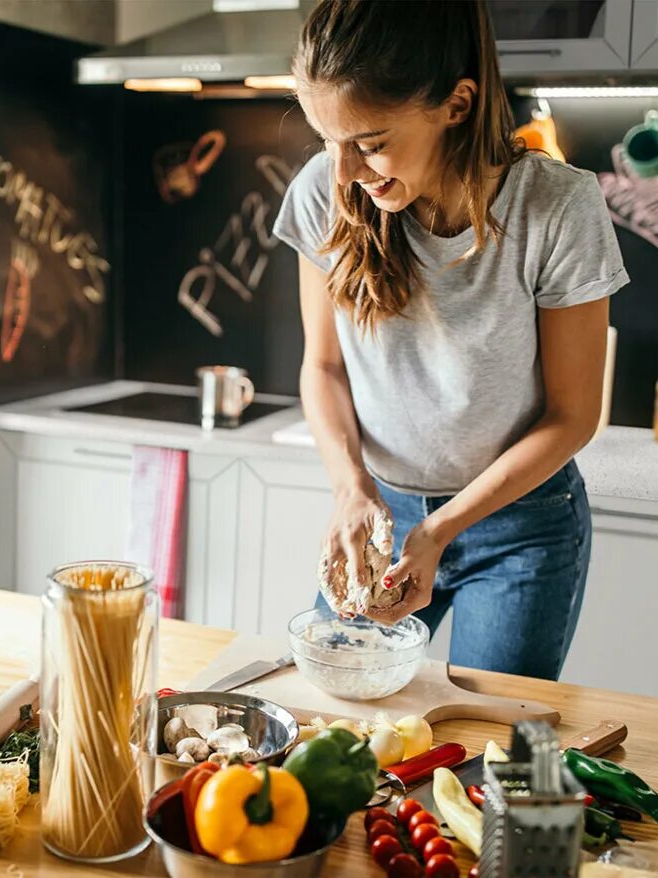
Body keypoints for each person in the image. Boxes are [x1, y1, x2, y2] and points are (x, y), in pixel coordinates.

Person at [273, 0, 628, 681]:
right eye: (327, 140)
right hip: (380, 509)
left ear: (457, 104)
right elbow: (322, 366)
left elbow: (573, 416)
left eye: (370, 142)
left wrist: (439, 531)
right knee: (339, 711)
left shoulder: (555, 208)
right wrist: (351, 488)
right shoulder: (325, 192)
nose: (343, 170)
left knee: (488, 746)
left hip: (521, 528)